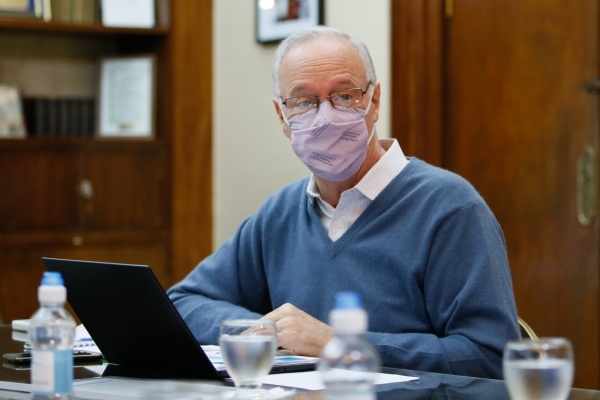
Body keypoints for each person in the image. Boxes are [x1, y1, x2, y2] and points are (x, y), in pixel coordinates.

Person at [167, 26, 520, 379]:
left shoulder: (450, 209)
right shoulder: (279, 214)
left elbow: (489, 356)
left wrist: (338, 345)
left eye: (345, 96)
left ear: (374, 101)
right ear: (282, 118)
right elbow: (183, 303)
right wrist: (265, 331)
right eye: (304, 102)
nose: (325, 117)